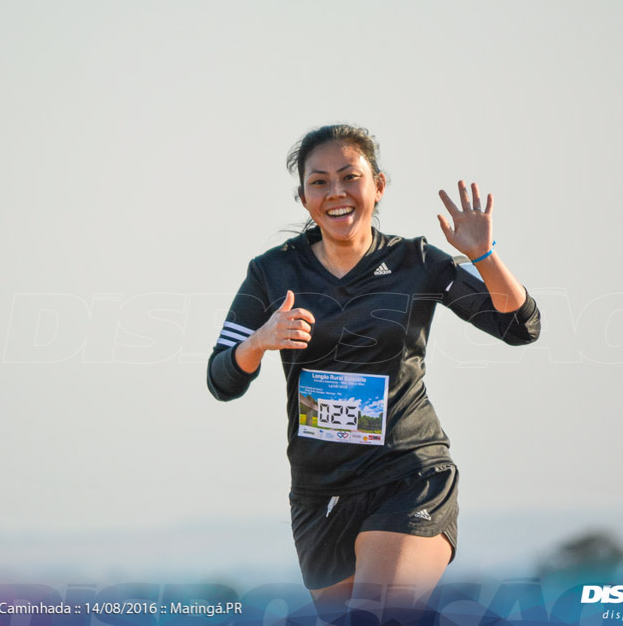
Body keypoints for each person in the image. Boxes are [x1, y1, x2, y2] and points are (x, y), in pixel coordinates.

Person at [206, 124, 541, 619]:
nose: (336, 192)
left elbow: (519, 326)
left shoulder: (418, 262)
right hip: (319, 490)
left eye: (349, 177)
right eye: (319, 182)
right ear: (303, 198)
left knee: (377, 615)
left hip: (407, 473)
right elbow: (221, 379)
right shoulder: (272, 272)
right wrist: (260, 341)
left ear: (378, 186)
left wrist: (483, 256)